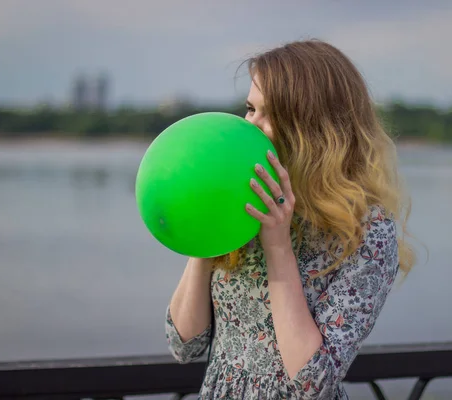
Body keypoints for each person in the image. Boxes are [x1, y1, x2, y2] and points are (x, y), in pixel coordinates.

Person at [165, 39, 415, 399]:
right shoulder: (241, 205)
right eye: (251, 109)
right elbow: (183, 345)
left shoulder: (368, 232)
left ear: (315, 128)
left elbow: (311, 384)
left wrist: (278, 245)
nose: (252, 125)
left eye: (273, 114)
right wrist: (206, 234)